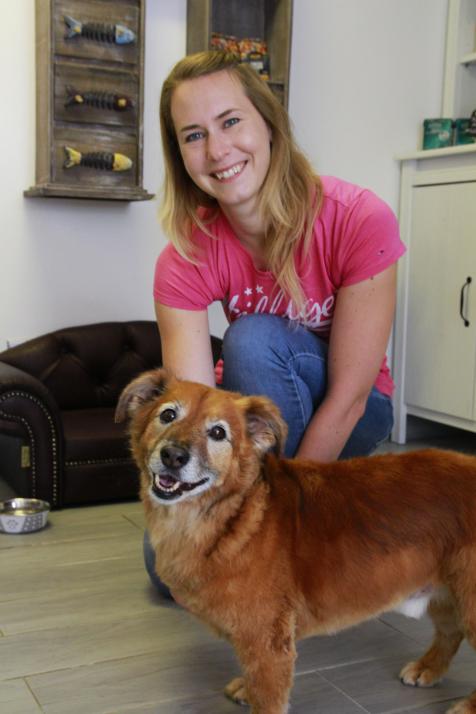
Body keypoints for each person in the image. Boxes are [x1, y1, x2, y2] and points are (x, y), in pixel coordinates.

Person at [144, 50, 405, 594]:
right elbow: (192, 405)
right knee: (166, 570)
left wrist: (283, 522)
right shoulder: (185, 258)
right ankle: (341, 519)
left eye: (231, 121)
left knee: (253, 337)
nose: (217, 150)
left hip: (355, 411)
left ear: (269, 122)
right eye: (193, 136)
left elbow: (353, 397)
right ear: (180, 155)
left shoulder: (357, 217)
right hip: (262, 422)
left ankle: (311, 513)